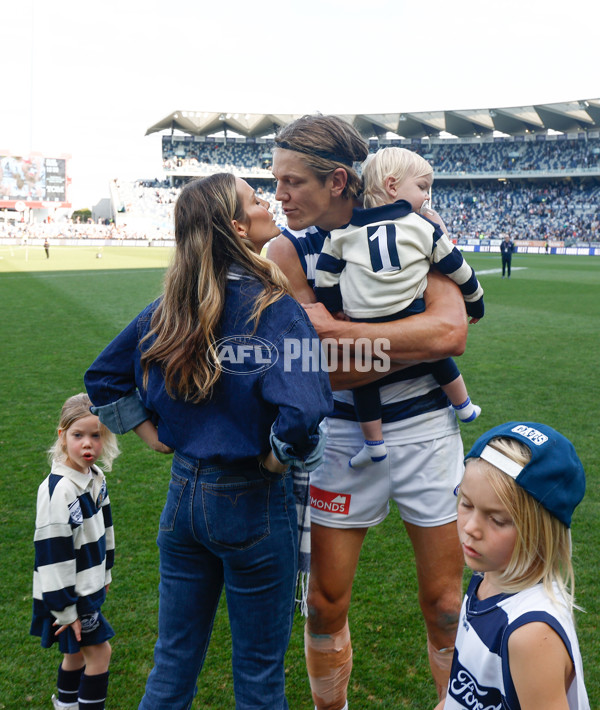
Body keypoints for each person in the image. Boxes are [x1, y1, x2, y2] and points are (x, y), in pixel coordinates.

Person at [84, 173, 333, 710]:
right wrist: (274, 459)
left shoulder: (169, 306)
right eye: (253, 197)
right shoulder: (276, 307)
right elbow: (307, 408)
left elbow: (103, 378)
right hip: (252, 499)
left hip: (182, 500)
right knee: (261, 677)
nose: (267, 200)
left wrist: (151, 434)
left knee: (172, 663)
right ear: (237, 226)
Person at [267, 114, 468, 709]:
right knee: (326, 602)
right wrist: (412, 342)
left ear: (336, 181)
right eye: (275, 181)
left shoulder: (413, 222)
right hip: (341, 438)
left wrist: (344, 333)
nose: (277, 195)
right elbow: (314, 370)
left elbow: (453, 330)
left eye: (290, 181)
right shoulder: (284, 250)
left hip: (428, 430)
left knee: (447, 603)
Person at [314, 146, 484, 468]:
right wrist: (476, 300)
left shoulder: (342, 233)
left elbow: (325, 276)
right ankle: (463, 405)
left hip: (363, 320)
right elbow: (457, 266)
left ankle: (374, 443)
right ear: (393, 187)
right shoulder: (422, 226)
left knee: (364, 379)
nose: (427, 198)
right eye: (422, 188)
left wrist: (332, 308)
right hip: (409, 311)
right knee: (435, 354)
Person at [437, 421, 590, 709]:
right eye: (466, 503)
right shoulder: (488, 576)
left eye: (497, 520)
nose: (471, 528)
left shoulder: (530, 634)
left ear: (541, 532)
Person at [31, 393, 120, 710]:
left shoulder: (95, 477)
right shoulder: (59, 490)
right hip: (69, 595)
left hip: (88, 586)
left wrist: (106, 571)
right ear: (62, 436)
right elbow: (52, 554)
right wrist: (66, 611)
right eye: (78, 435)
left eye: (96, 436)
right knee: (100, 654)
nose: (88, 445)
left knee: (74, 654)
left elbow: (105, 530)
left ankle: (66, 706)